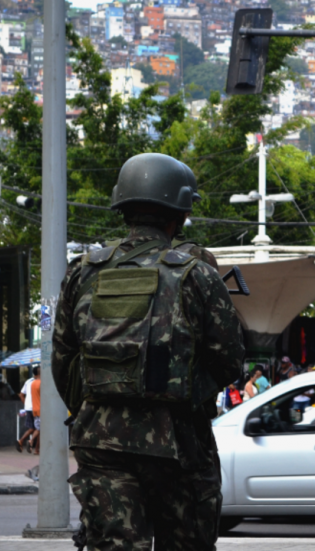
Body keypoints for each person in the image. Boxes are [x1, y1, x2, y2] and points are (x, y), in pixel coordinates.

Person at [52, 152, 244, 551]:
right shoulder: (197, 274)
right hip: (177, 443)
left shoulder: (83, 271)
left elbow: (63, 360)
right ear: (180, 214)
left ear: (123, 207)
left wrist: (98, 404)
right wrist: (183, 397)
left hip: (99, 440)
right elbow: (228, 360)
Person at [17, 368, 38, 453]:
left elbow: (21, 395)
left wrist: (26, 405)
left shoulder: (28, 381)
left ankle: (21, 441)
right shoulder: (40, 382)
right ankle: (33, 445)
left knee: (32, 428)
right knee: (39, 428)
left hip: (28, 408)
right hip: (37, 408)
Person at [30, 366, 42, 455]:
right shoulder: (41, 383)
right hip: (42, 409)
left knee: (39, 429)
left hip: (35, 409)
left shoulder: (33, 383)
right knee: (38, 429)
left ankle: (37, 449)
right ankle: (31, 440)